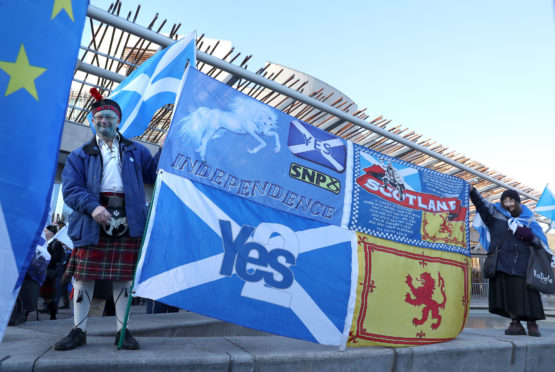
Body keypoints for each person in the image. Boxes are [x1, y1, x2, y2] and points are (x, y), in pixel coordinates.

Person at [53, 88, 160, 351]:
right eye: (98, 118)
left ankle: (122, 332)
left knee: (123, 279)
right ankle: (78, 331)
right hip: (92, 221)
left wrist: (168, 147)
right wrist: (92, 207)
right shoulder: (80, 155)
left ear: (118, 121)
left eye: (109, 118)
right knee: (83, 277)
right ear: (92, 121)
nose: (103, 122)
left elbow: (156, 174)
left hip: (129, 220)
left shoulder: (137, 151)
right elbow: (71, 189)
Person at [470, 186, 549, 337]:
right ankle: (515, 324)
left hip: (523, 265)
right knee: (508, 295)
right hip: (502, 264)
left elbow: (540, 243)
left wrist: (529, 235)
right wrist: (472, 191)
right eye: (505, 201)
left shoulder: (528, 220)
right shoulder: (495, 216)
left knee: (528, 295)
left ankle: (532, 324)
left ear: (518, 202)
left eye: (511, 200)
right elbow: (482, 205)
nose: (508, 204)